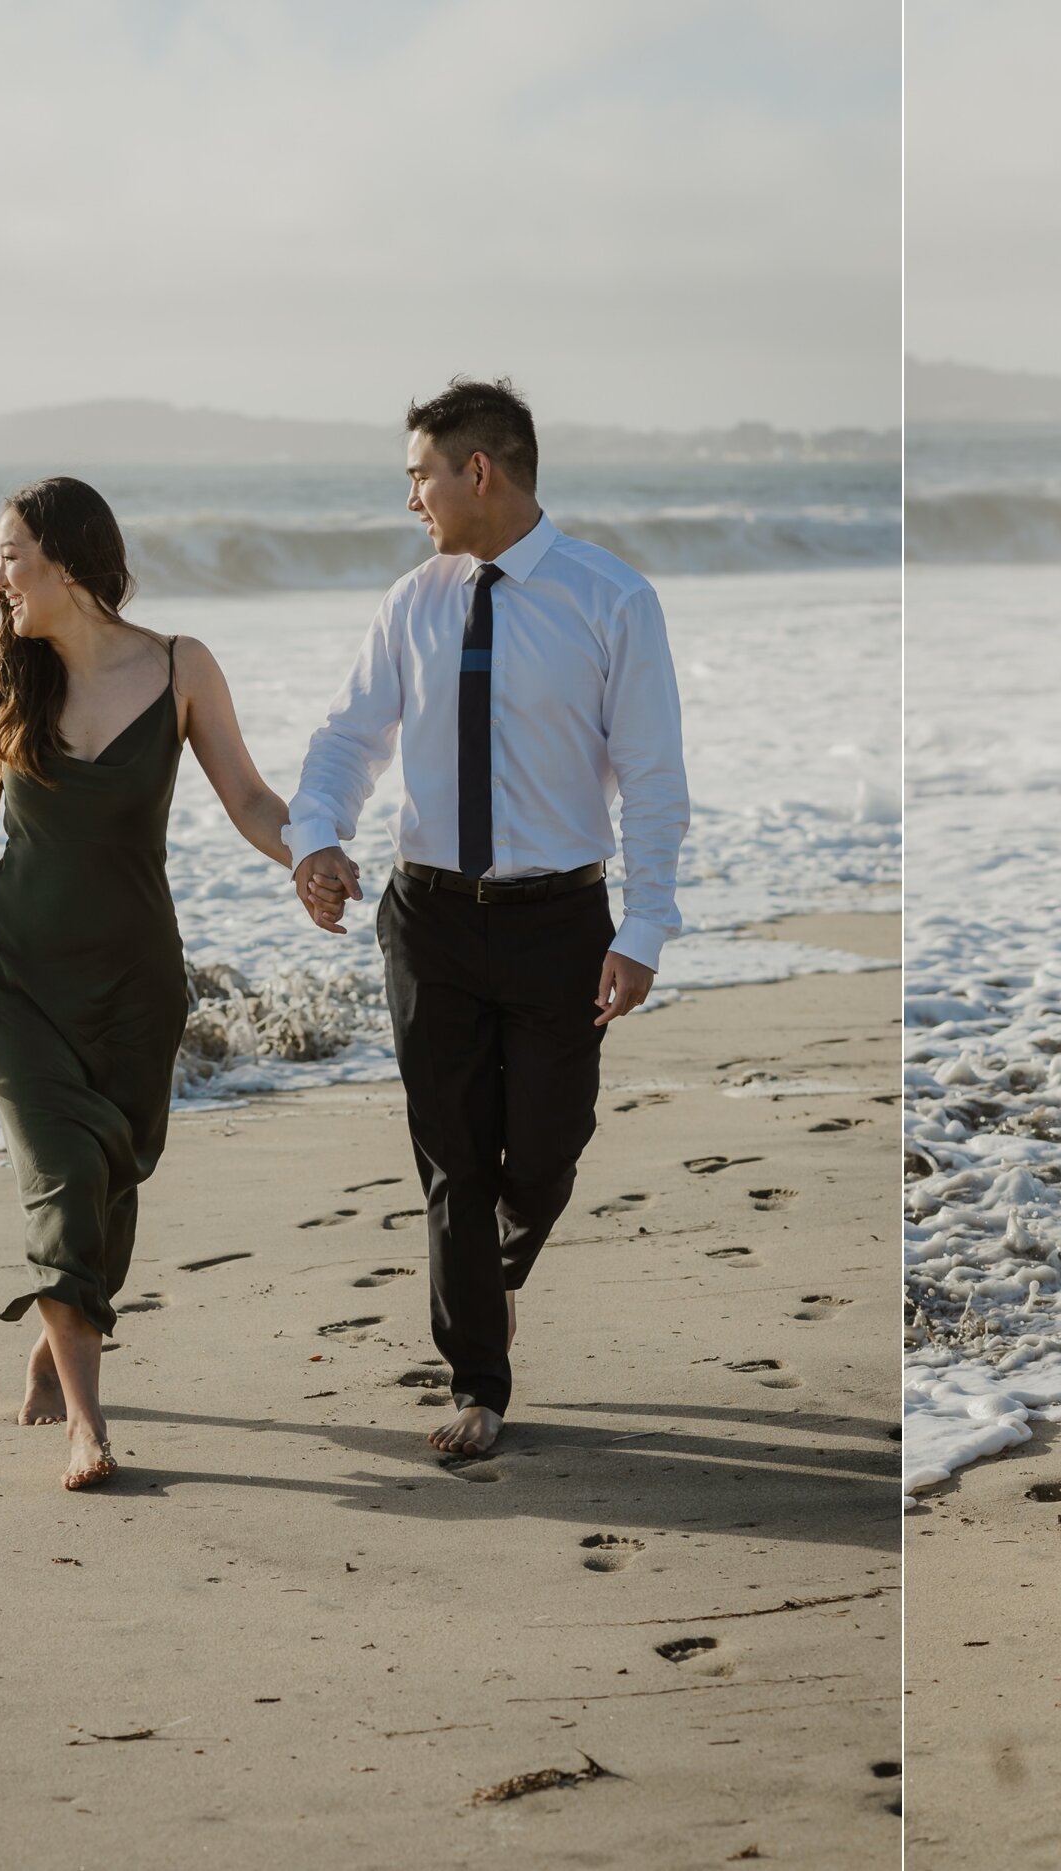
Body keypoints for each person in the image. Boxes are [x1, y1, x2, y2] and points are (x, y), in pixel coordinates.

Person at [286, 377, 689, 1463]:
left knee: (549, 1144)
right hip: (427, 918)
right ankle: (479, 1377)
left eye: (420, 473)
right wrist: (316, 834)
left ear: (480, 471)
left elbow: (653, 777)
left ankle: (494, 1271)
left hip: (561, 917)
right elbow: (345, 739)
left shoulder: (613, 598)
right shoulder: (412, 600)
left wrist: (643, 926)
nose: (410, 498)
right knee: (450, 1154)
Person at [0, 477, 297, 1490]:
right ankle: (88, 1424)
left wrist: (310, 853)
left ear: (70, 559)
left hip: (135, 986)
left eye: (11, 554)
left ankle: (54, 1332)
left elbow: (247, 793)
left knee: (114, 1181)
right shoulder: (3, 676)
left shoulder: (178, 666)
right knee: (68, 1179)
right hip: (20, 978)